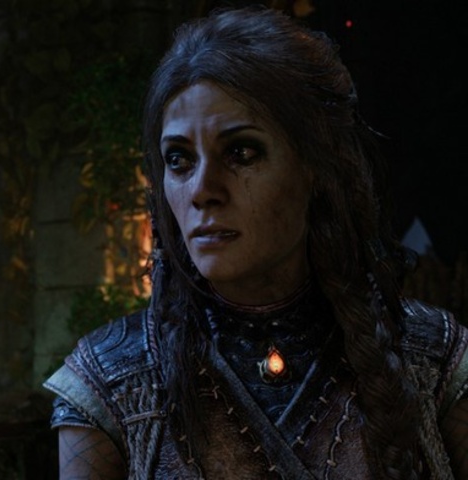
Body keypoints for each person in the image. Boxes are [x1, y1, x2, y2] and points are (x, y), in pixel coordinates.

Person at [43, 6, 468, 480]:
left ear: (315, 167)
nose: (202, 190)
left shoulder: (431, 358)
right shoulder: (111, 381)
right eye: (179, 159)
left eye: (241, 152)